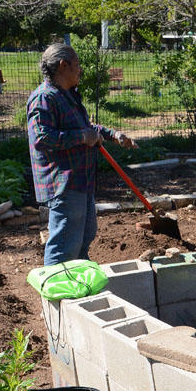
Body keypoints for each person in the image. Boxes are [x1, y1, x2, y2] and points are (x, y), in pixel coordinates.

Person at [27, 43, 136, 267]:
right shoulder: (44, 98)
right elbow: (41, 138)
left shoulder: (66, 95)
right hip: (63, 183)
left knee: (84, 235)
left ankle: (78, 282)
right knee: (64, 241)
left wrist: (112, 134)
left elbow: (85, 127)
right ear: (63, 65)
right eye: (77, 65)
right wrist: (81, 137)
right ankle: (57, 293)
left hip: (81, 181)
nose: (80, 70)